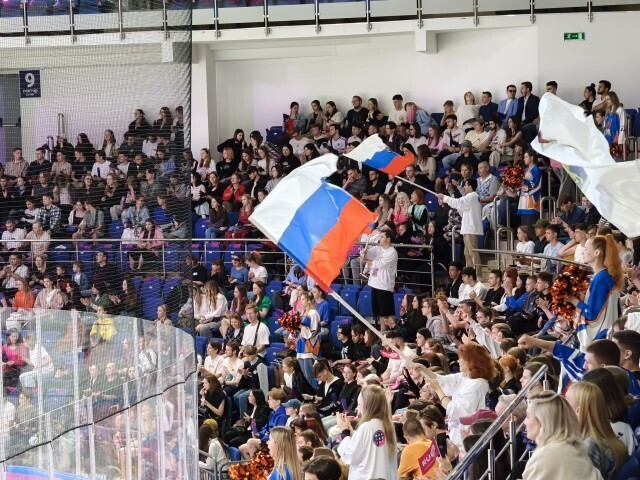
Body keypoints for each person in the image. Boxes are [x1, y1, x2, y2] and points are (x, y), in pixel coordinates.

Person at [414, 343, 496, 448]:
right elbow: (444, 381)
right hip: (457, 434)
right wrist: (424, 370)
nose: (458, 361)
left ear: (472, 361)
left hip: (466, 438)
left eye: (462, 358)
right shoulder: (466, 377)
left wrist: (438, 390)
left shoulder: (477, 385)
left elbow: (455, 411)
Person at [520, 391, 603, 480]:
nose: (524, 422)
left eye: (528, 416)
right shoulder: (574, 447)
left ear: (543, 421)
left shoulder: (545, 455)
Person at [570, 235, 624, 349]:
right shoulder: (603, 275)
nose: (582, 252)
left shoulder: (601, 278)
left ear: (596, 253)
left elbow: (592, 314)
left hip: (600, 336)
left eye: (586, 249)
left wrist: (573, 300)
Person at [566, 381, 628, 479]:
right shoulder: (601, 439)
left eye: (566, 400)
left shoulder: (589, 447)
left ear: (578, 410)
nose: (562, 405)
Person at [337, 385, 399, 480]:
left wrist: (345, 432)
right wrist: (351, 432)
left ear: (366, 405)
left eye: (360, 403)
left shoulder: (366, 427)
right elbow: (369, 444)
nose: (359, 407)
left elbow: (351, 456)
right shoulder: (388, 425)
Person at [437, 178, 482, 269]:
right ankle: (470, 272)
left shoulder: (472, 196)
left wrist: (444, 197)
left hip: (471, 229)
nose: (464, 187)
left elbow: (459, 202)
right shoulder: (469, 198)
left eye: (465, 185)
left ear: (470, 186)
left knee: (472, 253)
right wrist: (449, 195)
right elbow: (459, 206)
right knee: (467, 253)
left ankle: (478, 274)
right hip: (467, 229)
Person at [362, 227, 398, 329]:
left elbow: (381, 264)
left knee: (387, 311)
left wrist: (366, 261)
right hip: (375, 283)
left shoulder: (392, 252)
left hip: (384, 285)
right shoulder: (378, 248)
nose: (379, 239)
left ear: (388, 239)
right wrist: (364, 252)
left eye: (382, 237)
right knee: (379, 312)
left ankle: (392, 330)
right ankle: (383, 331)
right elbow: (369, 254)